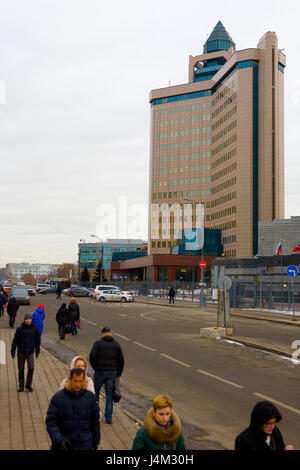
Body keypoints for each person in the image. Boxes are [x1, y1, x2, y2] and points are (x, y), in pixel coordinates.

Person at [46, 368, 100, 451]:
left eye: (80, 381)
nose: (78, 384)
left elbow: (95, 422)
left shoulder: (91, 398)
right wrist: (59, 440)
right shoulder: (58, 398)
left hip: (85, 445)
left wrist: (96, 442)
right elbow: (51, 421)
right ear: (70, 380)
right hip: (64, 445)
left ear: (84, 381)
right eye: (75, 381)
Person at [89, 327, 124, 424]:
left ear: (102, 334)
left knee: (95, 392)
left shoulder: (98, 343)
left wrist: (95, 367)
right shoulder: (116, 345)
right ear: (110, 334)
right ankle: (108, 417)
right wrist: (118, 373)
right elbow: (121, 361)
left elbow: (92, 357)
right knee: (109, 394)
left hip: (99, 371)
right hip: (111, 372)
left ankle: (95, 415)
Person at [11, 313, 40, 392]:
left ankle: (28, 385)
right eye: (27, 319)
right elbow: (15, 340)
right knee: (21, 369)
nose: (28, 320)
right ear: (24, 320)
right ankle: (21, 385)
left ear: (31, 320)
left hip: (30, 351)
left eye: (29, 319)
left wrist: (37, 350)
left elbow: (38, 340)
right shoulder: (20, 329)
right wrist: (13, 350)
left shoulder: (35, 329)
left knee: (31, 367)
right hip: (21, 351)